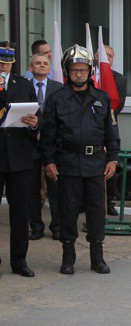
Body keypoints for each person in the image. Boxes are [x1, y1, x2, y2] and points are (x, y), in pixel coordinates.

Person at [40, 45, 120, 275]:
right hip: (67, 163)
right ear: (67, 71)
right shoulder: (57, 99)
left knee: (96, 211)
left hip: (95, 162)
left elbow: (112, 133)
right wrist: (48, 161)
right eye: (74, 70)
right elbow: (48, 136)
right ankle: (68, 257)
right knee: (68, 211)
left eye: (83, 70)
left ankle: (97, 257)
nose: (79, 74)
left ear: (89, 71)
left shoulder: (102, 99)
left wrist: (113, 159)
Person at [0, 41, 39, 278]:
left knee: (20, 213)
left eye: (7, 63)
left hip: (20, 158)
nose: (4, 67)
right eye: (1, 63)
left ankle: (19, 261)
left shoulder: (23, 84)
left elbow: (37, 116)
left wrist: (35, 124)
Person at [27, 53, 64, 242]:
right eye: (37, 63)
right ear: (31, 67)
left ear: (50, 68)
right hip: (30, 144)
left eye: (45, 63)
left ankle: (57, 227)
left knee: (55, 187)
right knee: (32, 188)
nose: (41, 66)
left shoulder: (59, 89)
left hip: (52, 146)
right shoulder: (23, 87)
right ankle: (36, 227)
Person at [95, 45, 127, 216]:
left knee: (111, 164)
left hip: (109, 127)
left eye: (110, 55)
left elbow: (118, 105)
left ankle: (109, 202)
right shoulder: (89, 77)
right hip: (86, 130)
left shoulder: (119, 79)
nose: (107, 58)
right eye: (104, 55)